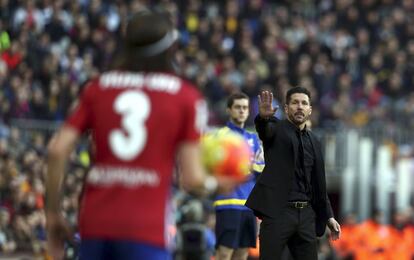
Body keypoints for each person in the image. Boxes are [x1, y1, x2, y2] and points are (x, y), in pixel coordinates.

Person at [45, 11, 235, 260]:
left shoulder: (98, 88)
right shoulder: (185, 97)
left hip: (95, 222)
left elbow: (57, 149)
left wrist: (52, 213)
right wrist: (218, 183)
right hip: (146, 229)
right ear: (170, 48)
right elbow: (192, 178)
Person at [245, 87, 341, 259]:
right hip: (277, 213)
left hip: (306, 215)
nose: (299, 106)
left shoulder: (315, 141)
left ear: (310, 110)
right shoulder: (276, 128)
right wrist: (263, 118)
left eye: (304, 103)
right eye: (295, 102)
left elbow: (318, 184)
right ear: (286, 108)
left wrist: (329, 217)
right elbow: (265, 130)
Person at [214, 92, 264, 260]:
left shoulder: (254, 139)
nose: (242, 111)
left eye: (245, 107)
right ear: (229, 110)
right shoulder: (219, 137)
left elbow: (261, 169)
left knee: (242, 254)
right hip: (228, 202)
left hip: (249, 206)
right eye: (237, 107)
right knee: (224, 253)